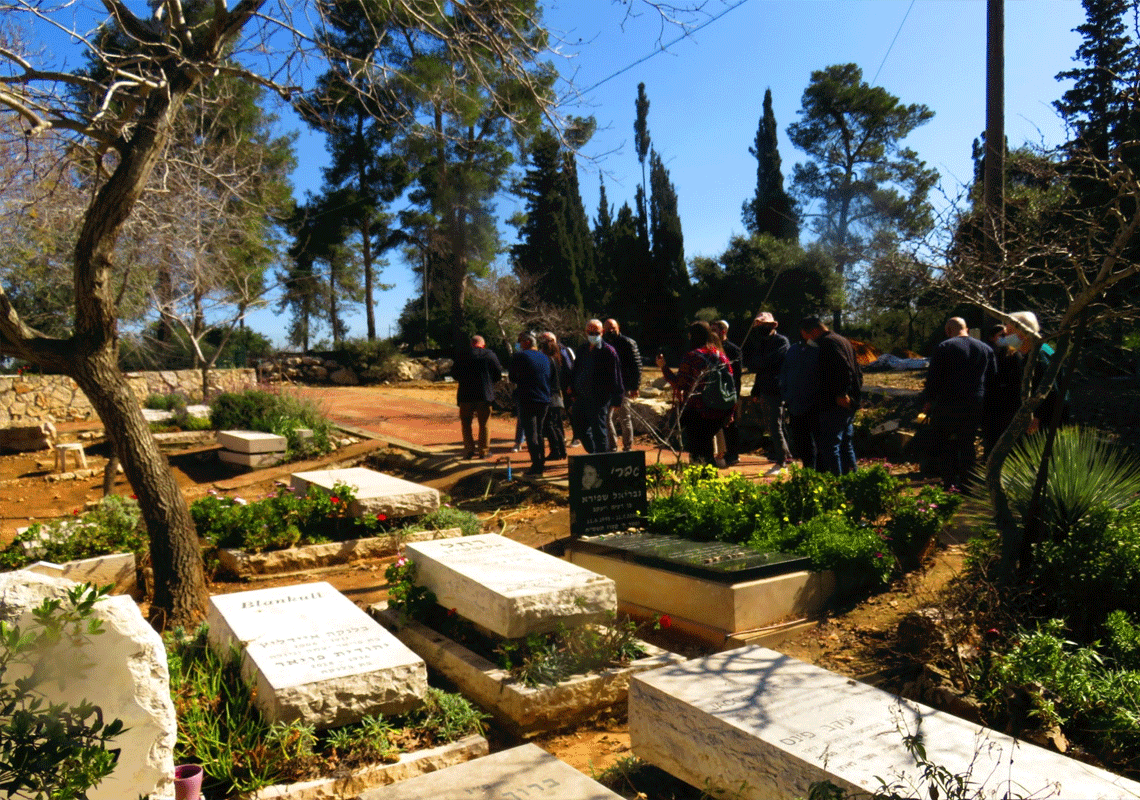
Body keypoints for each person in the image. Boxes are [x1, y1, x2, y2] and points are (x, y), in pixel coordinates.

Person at [922, 317, 996, 491]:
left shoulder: (944, 347)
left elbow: (933, 378)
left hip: (949, 403)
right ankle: (968, 482)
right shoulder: (985, 348)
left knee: (948, 443)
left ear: (948, 330)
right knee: (968, 443)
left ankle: (949, 481)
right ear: (967, 329)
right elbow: (993, 377)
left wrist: (929, 400)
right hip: (975, 403)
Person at [656, 321, 734, 466]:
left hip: (698, 410)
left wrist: (664, 367)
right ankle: (710, 479)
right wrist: (730, 412)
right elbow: (730, 384)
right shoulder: (721, 355)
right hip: (719, 410)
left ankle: (700, 480)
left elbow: (680, 383)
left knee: (698, 451)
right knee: (708, 448)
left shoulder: (691, 356)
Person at [800, 316, 862, 475]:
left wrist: (841, 394)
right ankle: (852, 482)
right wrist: (854, 395)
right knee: (845, 444)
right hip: (847, 403)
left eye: (807, 336)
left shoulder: (827, 343)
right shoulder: (843, 340)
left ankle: (837, 485)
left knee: (830, 446)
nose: (808, 340)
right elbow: (857, 371)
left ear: (814, 331)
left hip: (835, 403)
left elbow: (843, 369)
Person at [1002, 310, 1069, 434]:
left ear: (1023, 333)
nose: (1005, 338)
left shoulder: (1037, 355)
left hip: (1046, 425)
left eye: (1009, 333)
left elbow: (1050, 390)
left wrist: (1037, 417)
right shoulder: (1041, 349)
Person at [747, 312, 794, 475]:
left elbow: (767, 362)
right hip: (765, 388)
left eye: (764, 325)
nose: (761, 329)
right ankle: (786, 456)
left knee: (775, 426)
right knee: (772, 425)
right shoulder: (762, 343)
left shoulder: (781, 341)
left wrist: (760, 363)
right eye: (759, 326)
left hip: (777, 389)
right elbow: (757, 366)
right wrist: (756, 390)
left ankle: (782, 463)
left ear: (772, 325)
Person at [570, 319, 624, 453]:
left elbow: (616, 376)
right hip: (582, 396)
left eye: (596, 332)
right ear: (585, 332)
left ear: (602, 332)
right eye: (590, 332)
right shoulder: (582, 349)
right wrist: (572, 388)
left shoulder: (608, 352)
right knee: (579, 427)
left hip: (599, 398)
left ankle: (601, 458)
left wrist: (618, 398)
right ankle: (593, 452)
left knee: (599, 430)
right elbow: (576, 370)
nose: (593, 335)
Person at [508, 331, 554, 476]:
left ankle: (537, 464)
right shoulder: (545, 357)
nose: (519, 344)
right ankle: (541, 461)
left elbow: (512, 377)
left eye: (521, 341)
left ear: (527, 342)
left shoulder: (520, 356)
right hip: (545, 399)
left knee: (531, 433)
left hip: (528, 398)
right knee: (539, 432)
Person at [451, 334, 502, 460]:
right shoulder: (489, 355)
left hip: (466, 394)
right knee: (484, 424)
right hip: (484, 394)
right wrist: (490, 381)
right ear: (483, 345)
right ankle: (484, 451)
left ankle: (469, 450)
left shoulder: (462, 355)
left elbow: (454, 373)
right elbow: (498, 373)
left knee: (466, 423)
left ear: (471, 344)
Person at [780, 332, 820, 470]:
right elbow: (785, 372)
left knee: (815, 440)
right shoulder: (794, 349)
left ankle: (815, 470)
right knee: (800, 439)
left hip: (814, 403)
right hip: (794, 403)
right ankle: (807, 468)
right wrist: (785, 394)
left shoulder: (819, 349)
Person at [982, 322, 1024, 458]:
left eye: (1007, 335)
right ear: (991, 338)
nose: (1006, 338)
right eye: (1002, 335)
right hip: (992, 405)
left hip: (1009, 404)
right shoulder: (988, 354)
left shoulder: (1015, 355)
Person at [603, 319, 642, 452]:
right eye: (607, 328)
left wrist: (635, 386)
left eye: (613, 327)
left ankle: (627, 447)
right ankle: (612, 446)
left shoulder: (628, 343)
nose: (611, 330)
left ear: (618, 327)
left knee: (624, 417)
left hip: (623, 385)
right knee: (606, 418)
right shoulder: (602, 343)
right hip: (606, 386)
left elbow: (637, 365)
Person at [711, 320, 743, 466]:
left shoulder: (733, 349)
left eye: (714, 330)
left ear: (723, 331)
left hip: (730, 392)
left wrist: (735, 395)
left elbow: (736, 375)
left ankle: (733, 454)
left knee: (731, 424)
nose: (711, 333)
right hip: (717, 393)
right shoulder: (711, 348)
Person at [539, 333, 569, 461]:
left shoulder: (548, 361)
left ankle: (556, 450)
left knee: (550, 425)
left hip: (550, 395)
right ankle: (561, 450)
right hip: (557, 395)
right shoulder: (557, 360)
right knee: (556, 425)